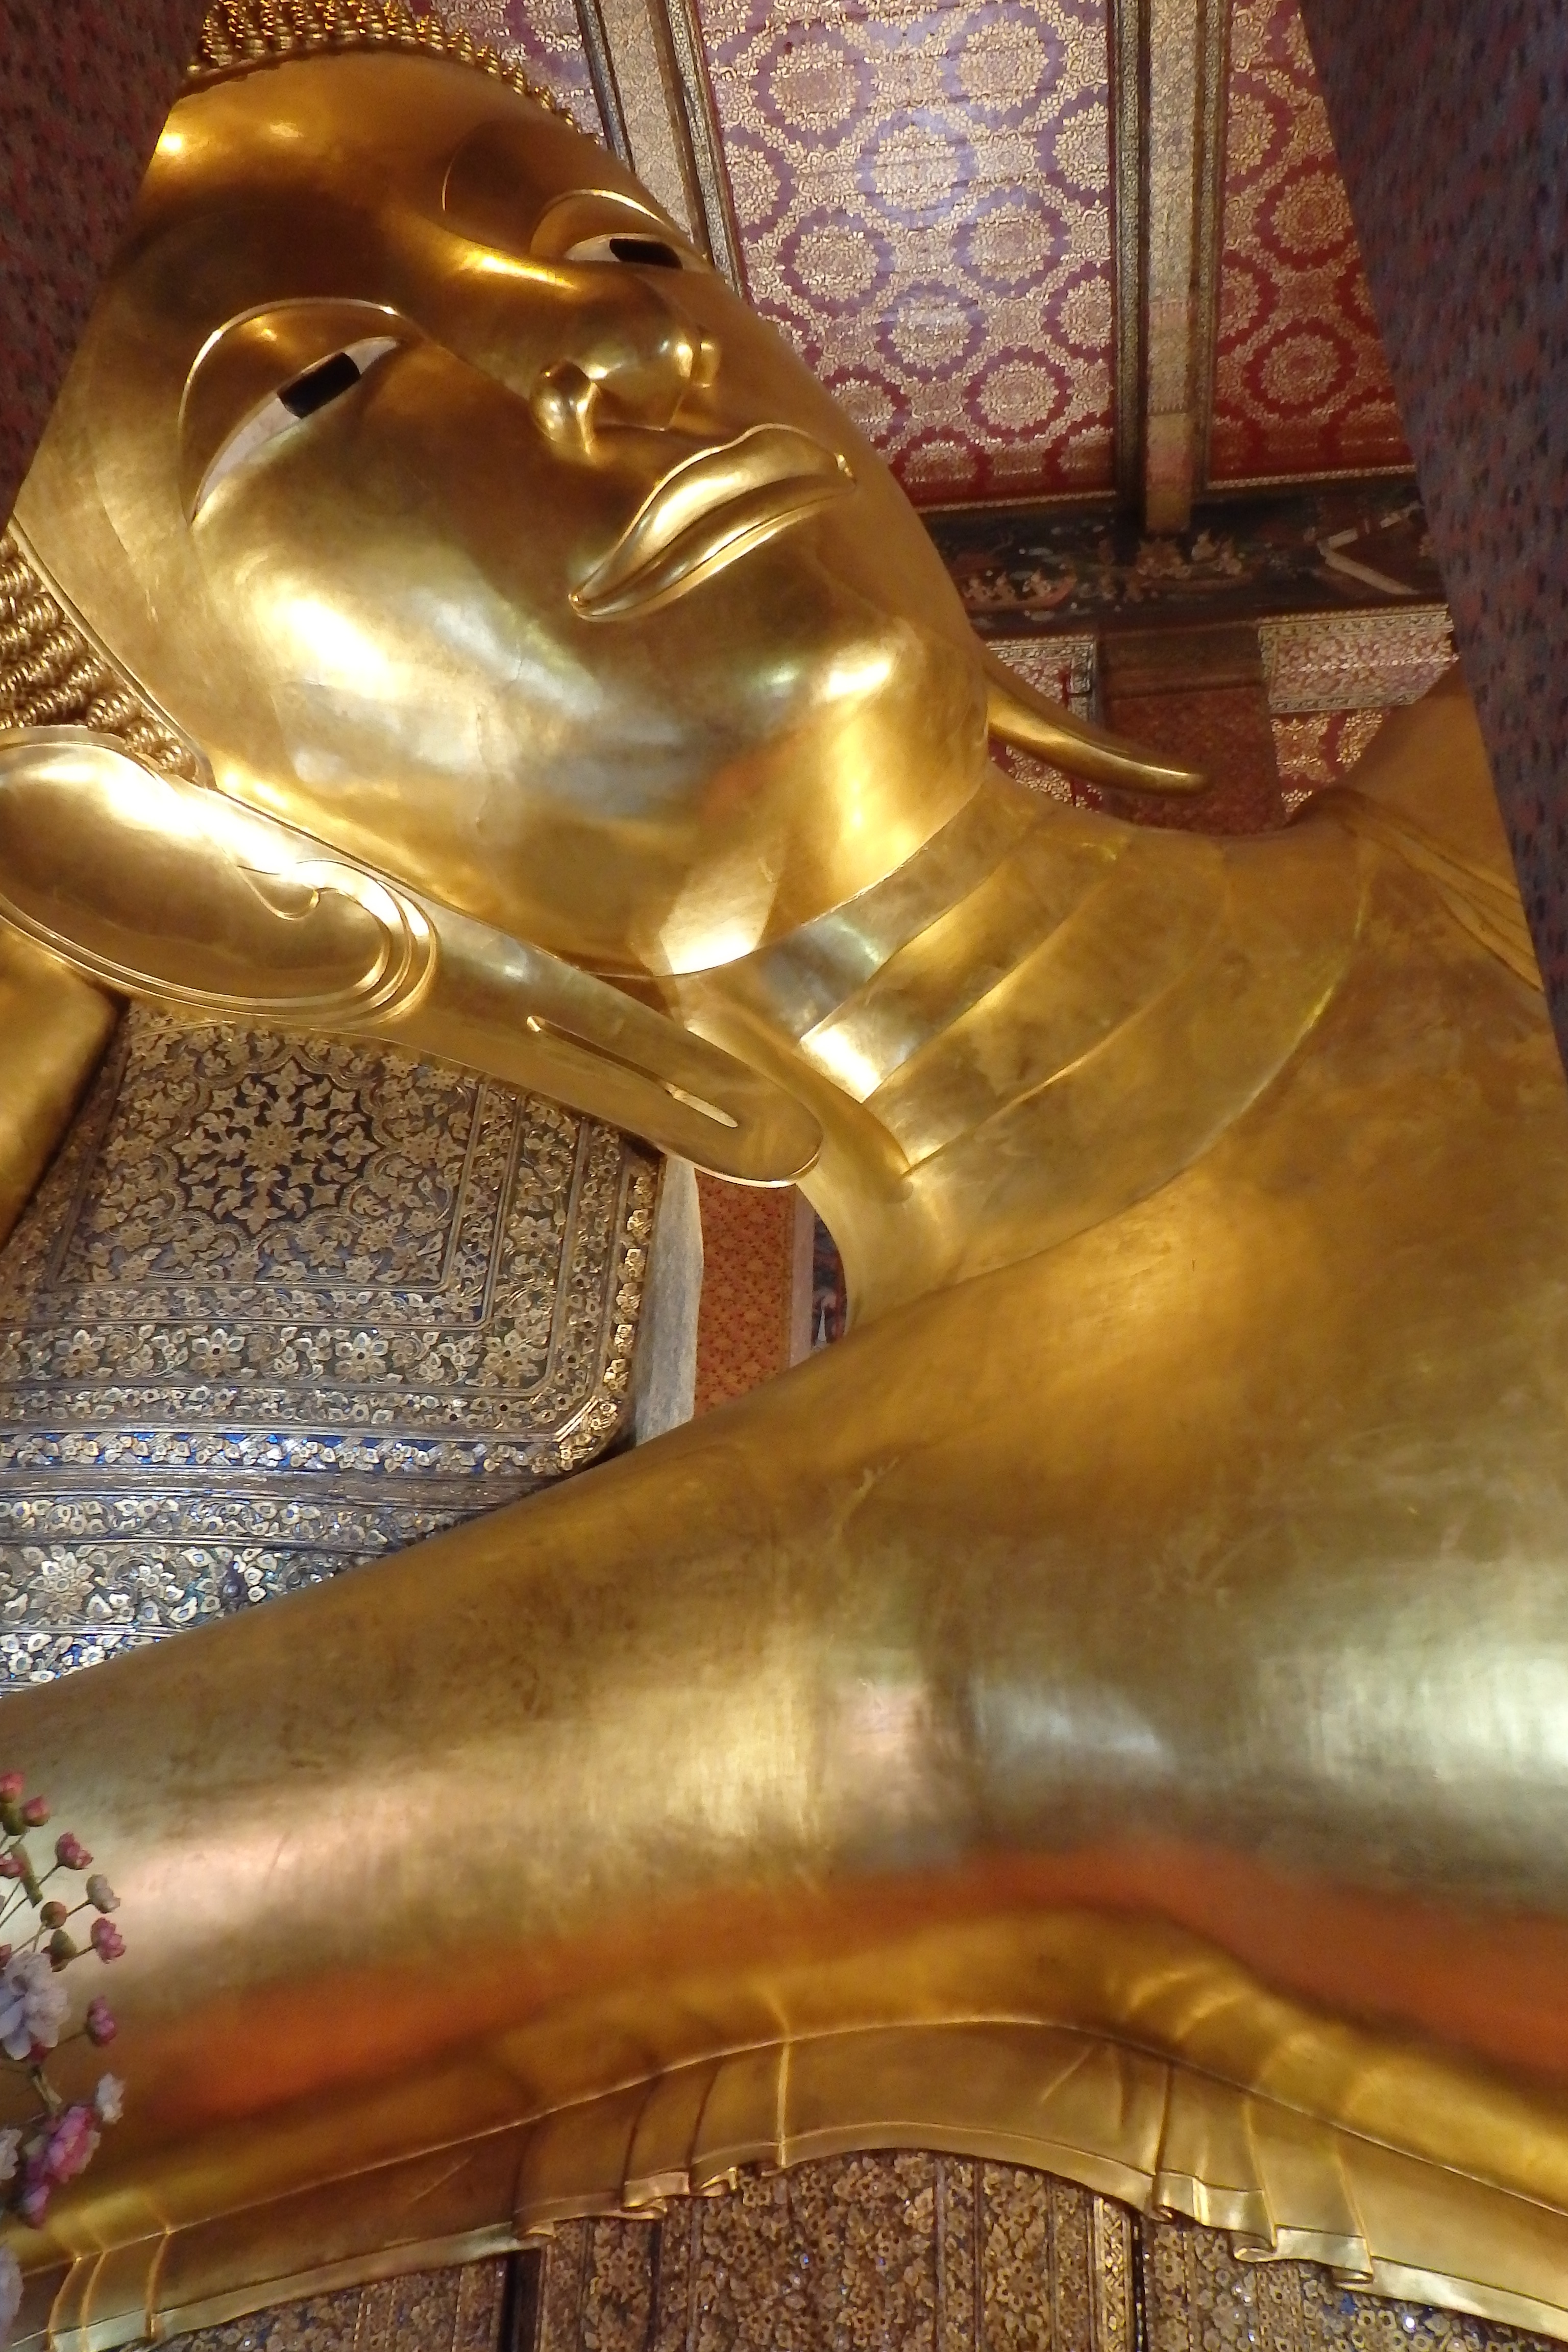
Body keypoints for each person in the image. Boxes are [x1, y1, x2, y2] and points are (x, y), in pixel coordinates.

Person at [3, 6, 1567, 2342]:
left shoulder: (1488, 784)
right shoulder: (848, 1633)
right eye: (323, 388)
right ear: (198, 867)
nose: (614, 350)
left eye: (620, 248)